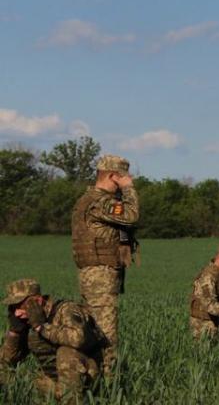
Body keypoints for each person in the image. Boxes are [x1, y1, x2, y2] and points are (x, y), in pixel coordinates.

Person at [71, 154, 138, 374]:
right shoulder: (100, 202)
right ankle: (109, 385)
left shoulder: (86, 199)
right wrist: (128, 190)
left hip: (93, 276)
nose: (129, 180)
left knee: (94, 332)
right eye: (124, 177)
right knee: (106, 336)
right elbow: (131, 215)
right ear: (113, 176)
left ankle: (92, 378)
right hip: (100, 276)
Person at [2, 279, 103, 400]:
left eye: (19, 306)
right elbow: (6, 359)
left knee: (66, 353)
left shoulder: (66, 309)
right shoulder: (26, 322)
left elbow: (78, 338)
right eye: (13, 308)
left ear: (38, 301)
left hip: (85, 378)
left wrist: (42, 327)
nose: (17, 313)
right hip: (51, 380)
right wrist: (15, 332)